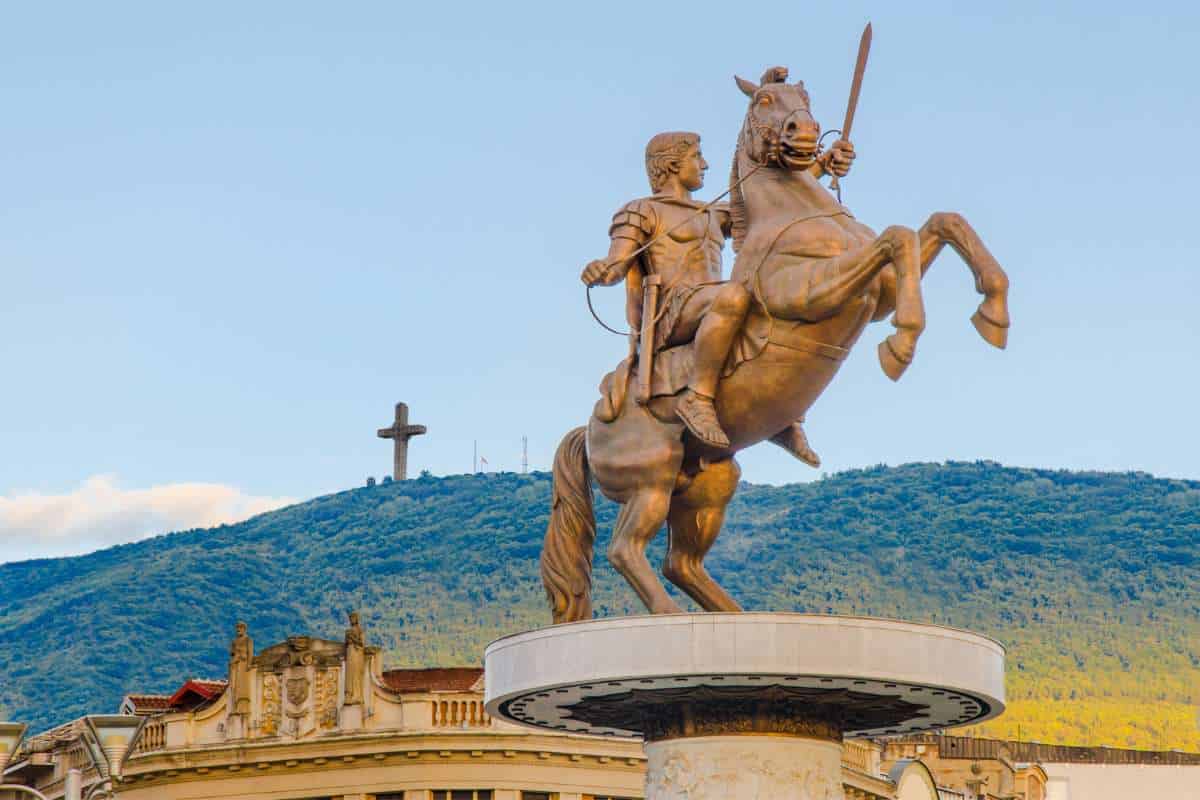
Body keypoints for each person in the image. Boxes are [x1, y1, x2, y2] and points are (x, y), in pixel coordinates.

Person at [582, 130, 850, 464]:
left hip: (713, 302)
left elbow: (774, 203)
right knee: (736, 294)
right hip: (670, 313)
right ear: (671, 164)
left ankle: (784, 417)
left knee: (768, 299)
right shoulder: (641, 211)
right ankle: (697, 398)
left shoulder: (711, 212)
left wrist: (821, 167)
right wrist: (601, 270)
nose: (705, 164)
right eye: (697, 157)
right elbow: (616, 263)